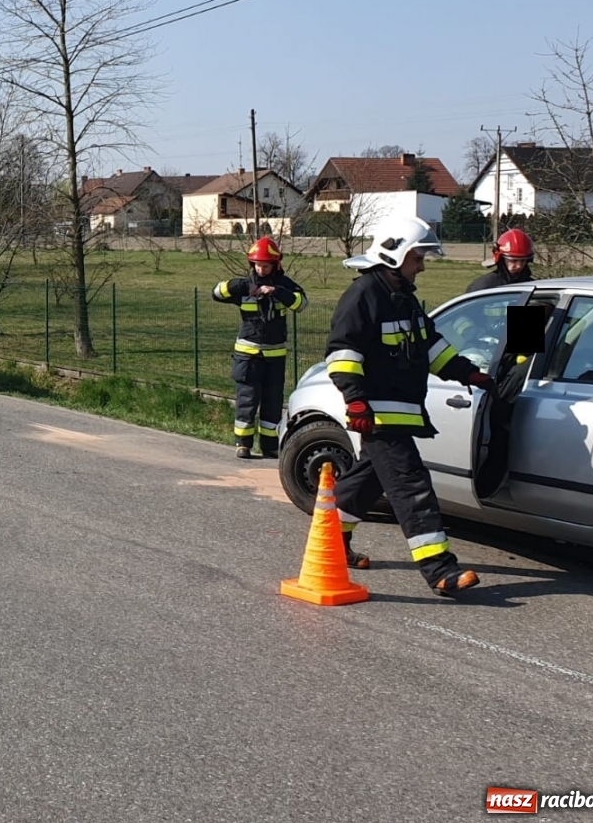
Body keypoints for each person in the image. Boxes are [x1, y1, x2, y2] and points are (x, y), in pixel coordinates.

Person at [325, 215, 493, 597]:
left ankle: (330, 539)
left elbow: (431, 347)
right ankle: (439, 570)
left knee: (366, 482)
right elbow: (342, 353)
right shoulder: (364, 294)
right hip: (379, 414)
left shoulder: (404, 298)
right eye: (418, 257)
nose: (422, 265)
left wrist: (469, 374)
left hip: (397, 411)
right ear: (395, 254)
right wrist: (356, 401)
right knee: (411, 486)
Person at [212, 236, 307, 459]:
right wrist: (239, 285)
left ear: (275, 265)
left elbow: (302, 304)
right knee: (247, 399)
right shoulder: (245, 286)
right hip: (248, 355)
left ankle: (270, 445)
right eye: (257, 265)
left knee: (273, 402)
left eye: (265, 265)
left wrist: (277, 292)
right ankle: (243, 443)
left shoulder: (284, 286)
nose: (261, 270)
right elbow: (216, 293)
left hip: (275, 355)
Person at [467, 228, 534, 293]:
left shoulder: (533, 287)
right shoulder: (483, 288)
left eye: (523, 261)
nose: (519, 266)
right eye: (514, 260)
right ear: (501, 259)